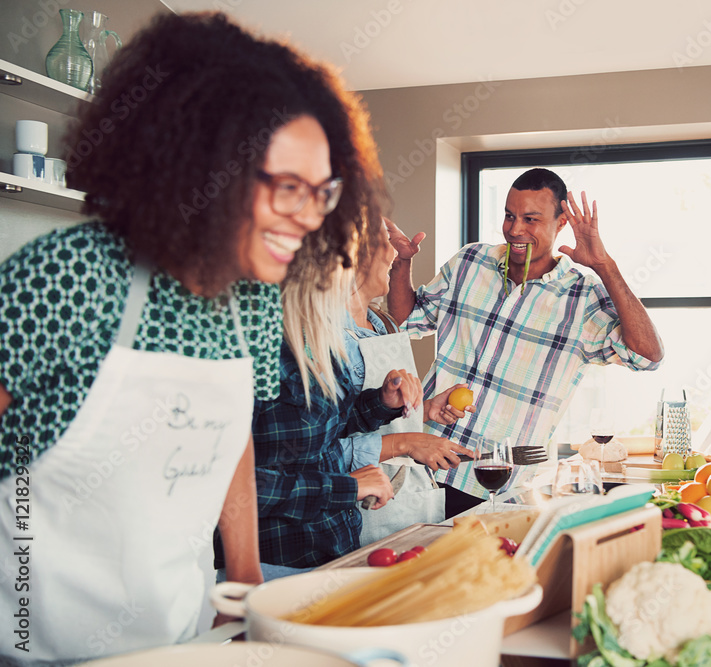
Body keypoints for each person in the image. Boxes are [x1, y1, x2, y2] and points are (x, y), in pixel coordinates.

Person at [0, 12, 382, 664]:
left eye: (321, 192)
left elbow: (227, 435)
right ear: (203, 164)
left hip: (182, 641)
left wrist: (244, 579)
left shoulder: (254, 298)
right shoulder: (67, 276)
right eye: (288, 187)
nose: (309, 216)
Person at [387, 168, 665, 516]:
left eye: (530, 219)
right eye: (509, 216)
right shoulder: (470, 263)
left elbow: (648, 356)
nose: (515, 229)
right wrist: (402, 261)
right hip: (420, 464)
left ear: (561, 222)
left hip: (495, 486)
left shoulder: (581, 298)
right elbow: (406, 320)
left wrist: (604, 266)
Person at [239, 220, 473, 579]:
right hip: (286, 557)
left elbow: (323, 429)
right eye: (384, 243)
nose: (394, 253)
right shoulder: (273, 348)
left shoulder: (328, 339)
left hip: (334, 542)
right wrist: (356, 480)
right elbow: (251, 484)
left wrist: (384, 403)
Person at [344, 220, 474, 544]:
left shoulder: (384, 323)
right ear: (351, 255)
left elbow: (373, 412)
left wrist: (425, 410)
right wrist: (407, 442)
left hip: (412, 496)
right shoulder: (328, 337)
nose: (392, 253)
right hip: (367, 501)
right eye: (382, 243)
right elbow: (322, 442)